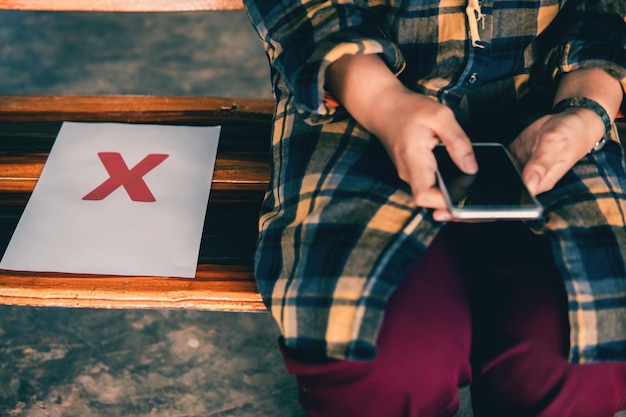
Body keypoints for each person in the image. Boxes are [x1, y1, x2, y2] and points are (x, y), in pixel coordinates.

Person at [242, 0, 626, 415]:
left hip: (554, 99)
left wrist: (587, 110)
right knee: (378, 360)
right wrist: (381, 99)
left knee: (583, 354)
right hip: (358, 96)